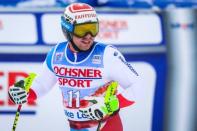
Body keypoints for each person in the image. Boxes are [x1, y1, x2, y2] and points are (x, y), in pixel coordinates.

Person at [8, 2, 139, 131]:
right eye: (81, 30)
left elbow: (136, 87)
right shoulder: (56, 54)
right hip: (76, 127)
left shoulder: (107, 55)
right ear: (67, 30)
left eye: (93, 29)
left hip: (106, 126)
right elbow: (42, 85)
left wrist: (111, 105)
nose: (88, 36)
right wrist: (24, 92)